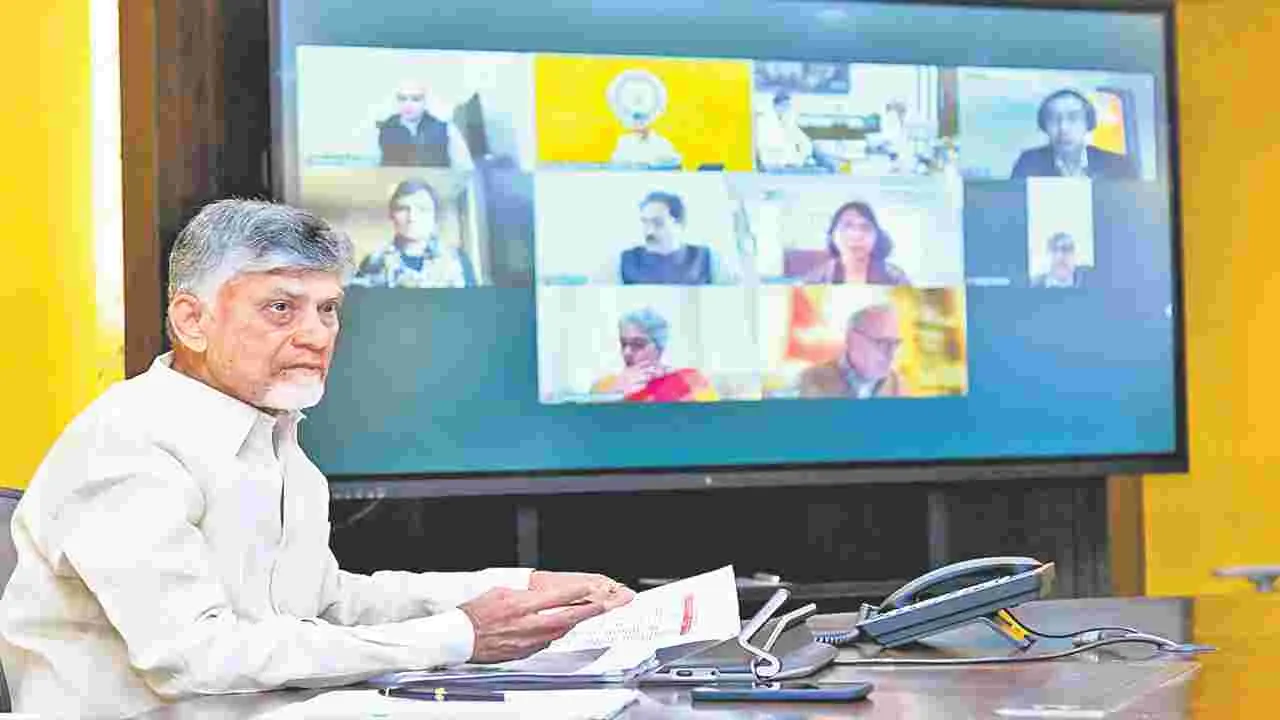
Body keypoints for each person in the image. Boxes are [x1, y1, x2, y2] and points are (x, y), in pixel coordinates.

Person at [0, 200, 634, 718]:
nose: (316, 335)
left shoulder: (280, 442)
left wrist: (520, 591)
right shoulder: (126, 442)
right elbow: (195, 656)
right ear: (192, 321)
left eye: (328, 309)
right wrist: (461, 635)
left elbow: (324, 606)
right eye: (281, 308)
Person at [350, 179, 478, 288]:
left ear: (435, 216)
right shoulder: (373, 262)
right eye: (403, 209)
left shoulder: (459, 261)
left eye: (423, 209)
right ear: (391, 215)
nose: (412, 217)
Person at [591, 308, 719, 403]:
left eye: (638, 344)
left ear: (659, 348)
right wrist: (616, 393)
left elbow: (712, 421)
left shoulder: (690, 378)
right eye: (623, 344)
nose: (626, 352)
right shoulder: (604, 385)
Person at [1010, 89, 1137, 180]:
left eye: (1073, 118)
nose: (1063, 128)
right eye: (1054, 119)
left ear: (1088, 123)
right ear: (1044, 126)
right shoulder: (1028, 162)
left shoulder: (1118, 165)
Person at [619, 191, 735, 285]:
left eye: (658, 223)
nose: (649, 231)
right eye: (645, 222)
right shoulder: (626, 261)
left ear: (679, 223)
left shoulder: (707, 259)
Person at [797, 304, 905, 399]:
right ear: (851, 338)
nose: (891, 354)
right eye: (882, 343)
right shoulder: (813, 380)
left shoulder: (897, 384)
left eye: (895, 343)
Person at [802, 201, 910, 286]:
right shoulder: (815, 280)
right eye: (847, 226)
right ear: (832, 235)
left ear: (877, 237)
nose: (857, 235)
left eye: (865, 228)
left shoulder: (895, 278)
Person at [377, 81, 475, 170]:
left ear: (425, 102)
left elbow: (465, 169)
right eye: (402, 99)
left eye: (415, 99)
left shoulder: (446, 130)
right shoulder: (384, 130)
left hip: (437, 183)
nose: (408, 104)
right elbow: (372, 170)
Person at [756, 91, 815, 170]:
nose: (785, 108)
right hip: (772, 158)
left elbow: (803, 140)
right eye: (783, 105)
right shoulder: (764, 120)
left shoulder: (789, 121)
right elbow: (762, 143)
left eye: (788, 106)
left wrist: (806, 155)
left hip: (789, 160)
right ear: (775, 105)